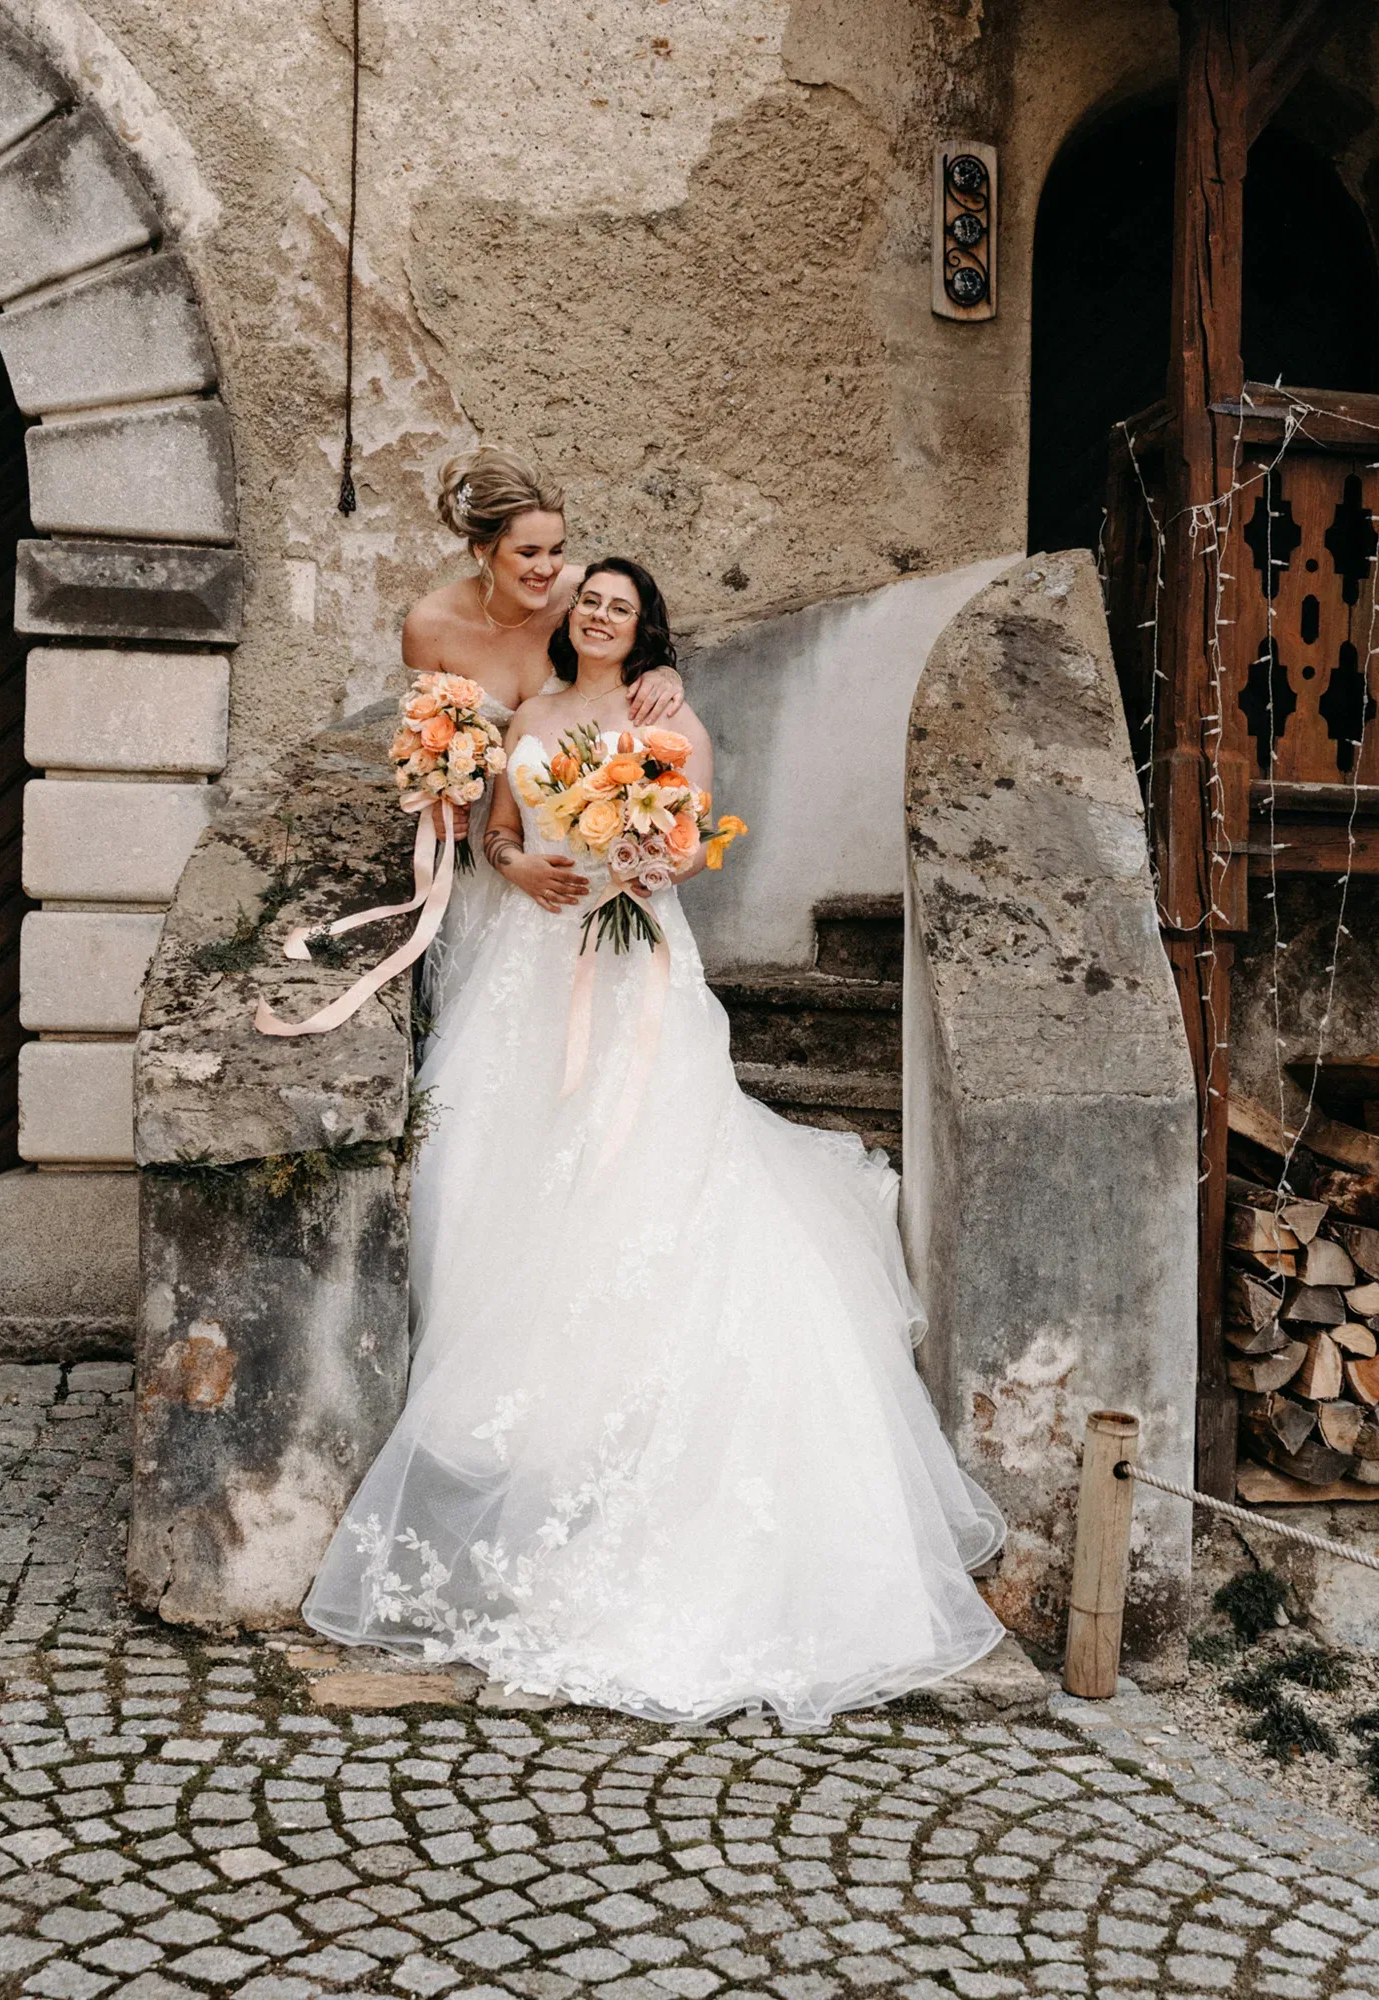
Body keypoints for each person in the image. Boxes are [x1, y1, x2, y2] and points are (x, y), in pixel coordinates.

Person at [304, 558, 1006, 1726]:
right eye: (586, 600)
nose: (594, 614)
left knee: (643, 1162)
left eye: (617, 607)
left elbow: (688, 845)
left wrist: (647, 852)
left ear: (642, 628)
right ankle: (502, 1409)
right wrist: (513, 855)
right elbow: (494, 831)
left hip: (630, 966)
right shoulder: (529, 712)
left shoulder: (663, 712)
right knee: (495, 1159)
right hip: (527, 968)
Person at [407, 447, 684, 1020]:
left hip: (580, 840)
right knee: (488, 1002)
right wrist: (435, 794)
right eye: (527, 552)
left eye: (556, 550)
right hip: (492, 832)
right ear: (484, 549)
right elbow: (427, 730)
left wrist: (662, 670)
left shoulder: (583, 596)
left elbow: (635, 639)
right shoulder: (430, 626)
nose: (547, 568)